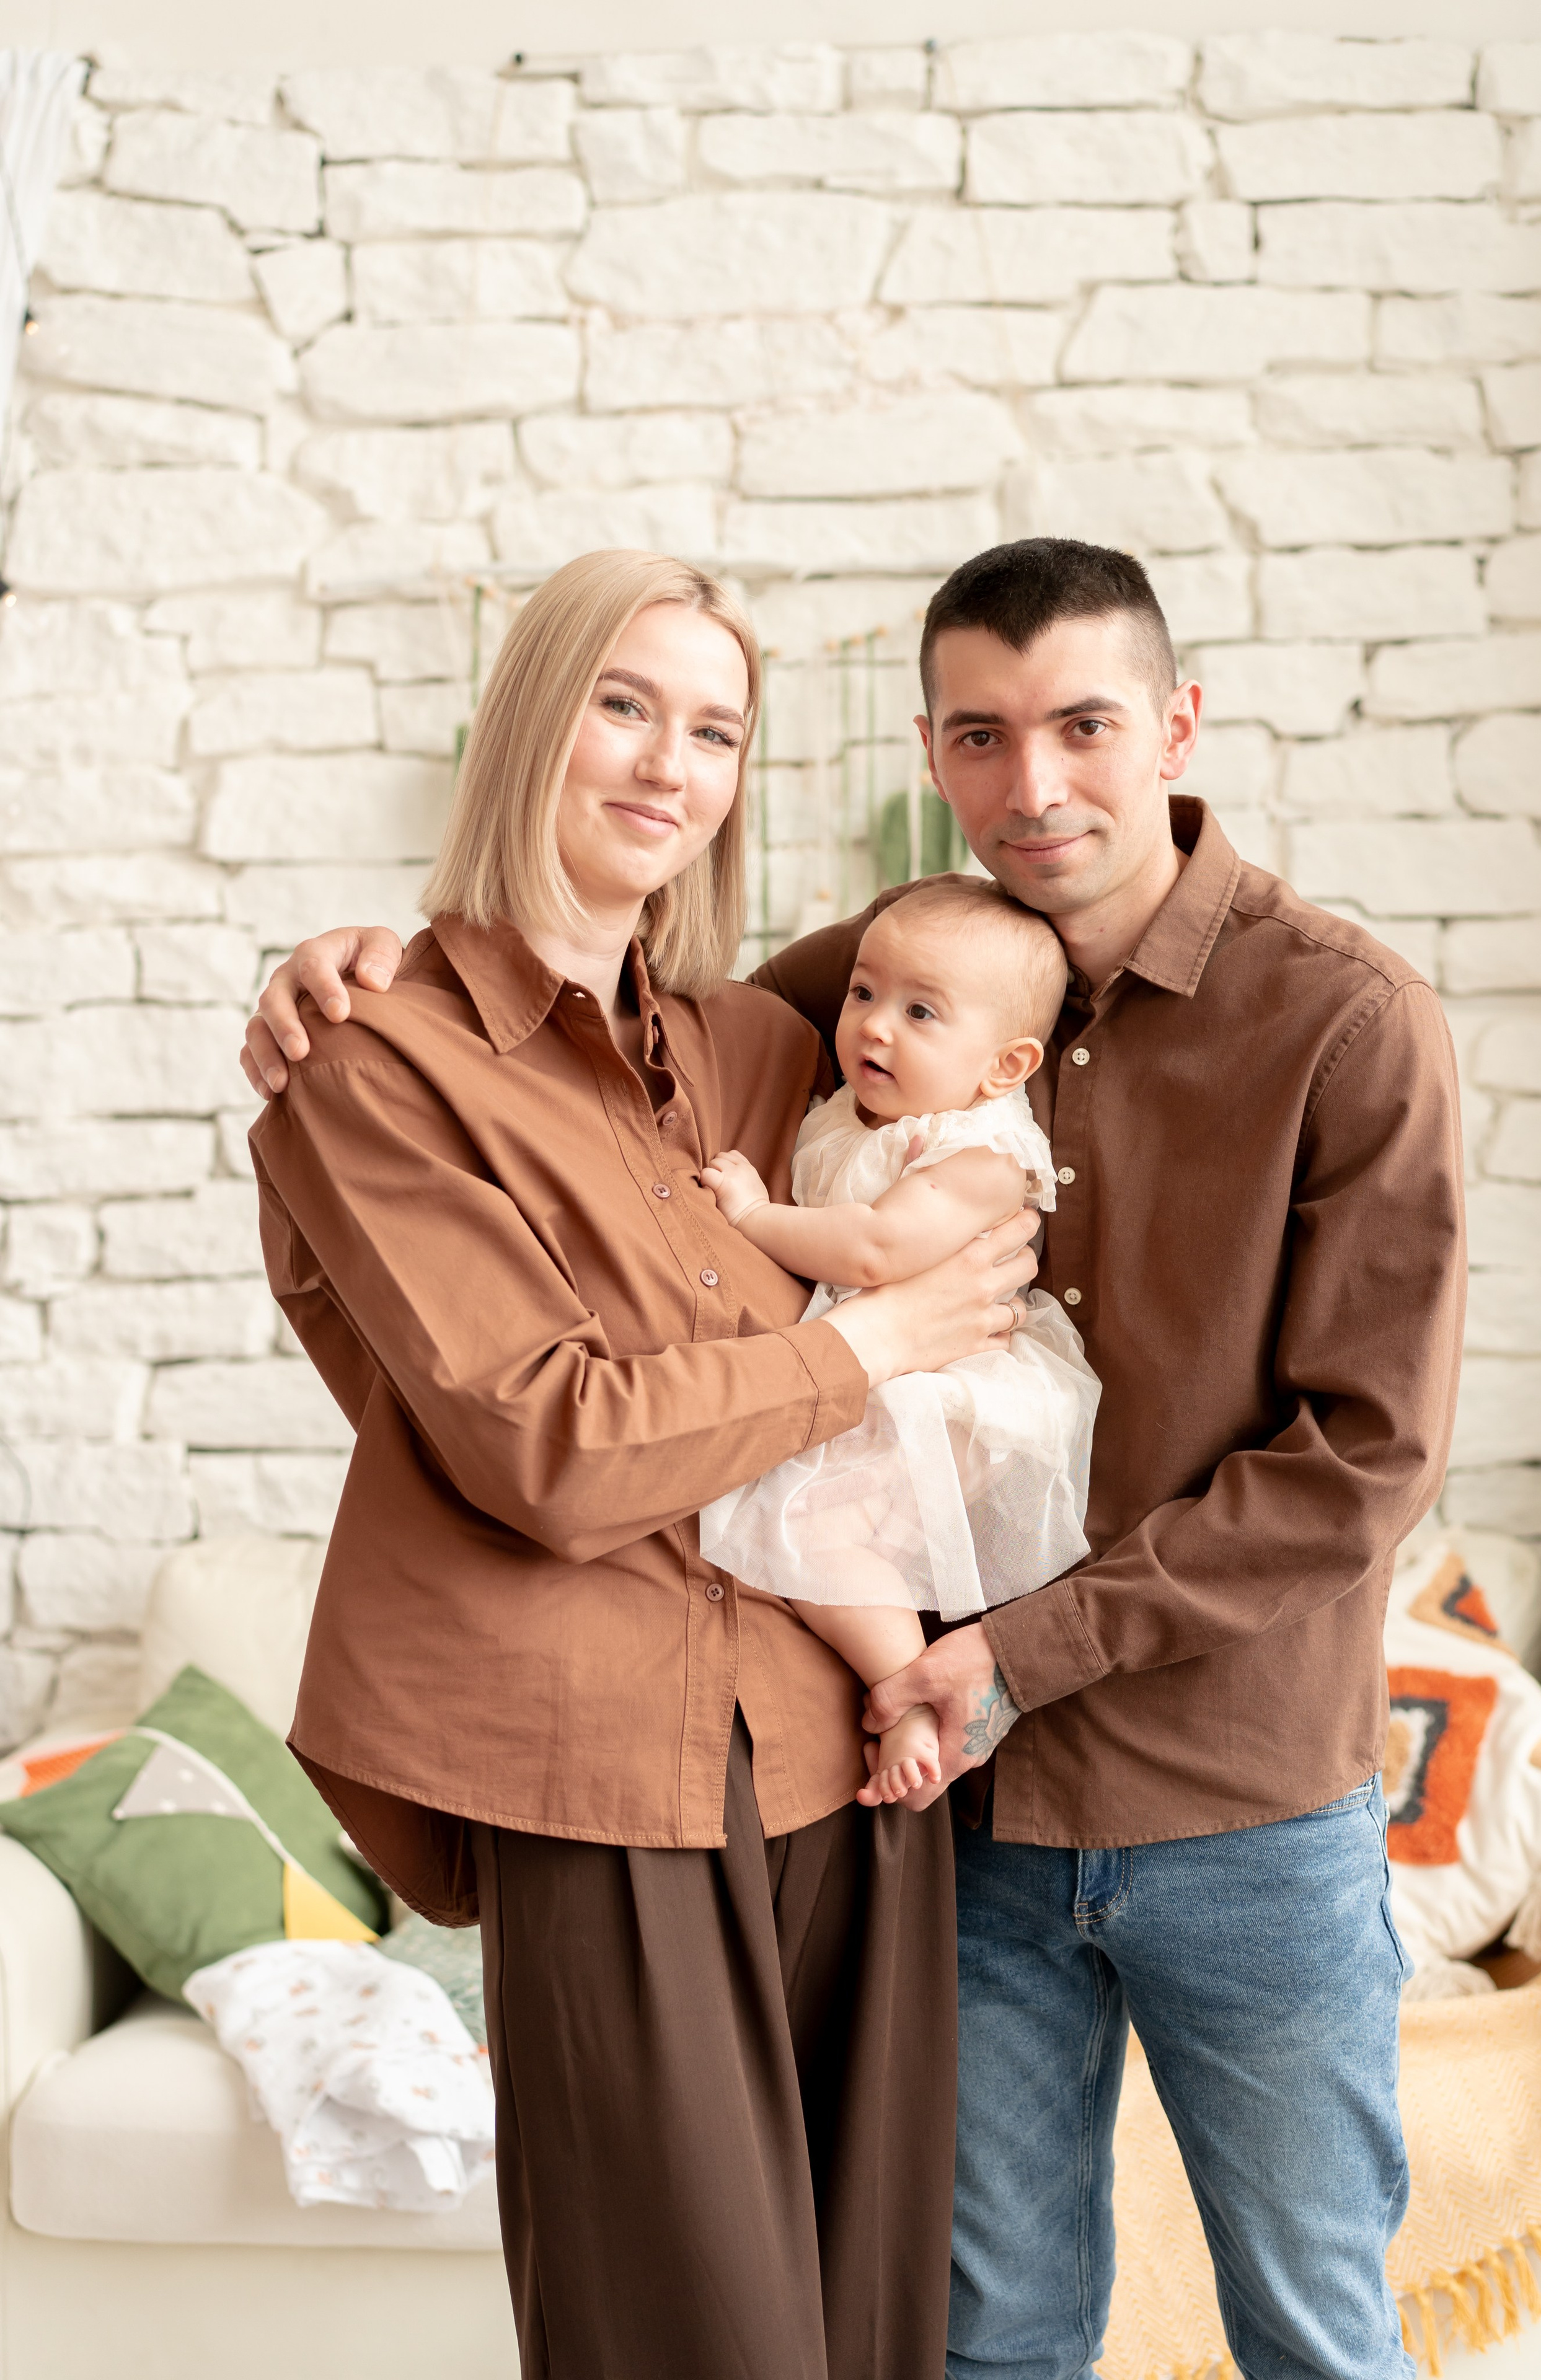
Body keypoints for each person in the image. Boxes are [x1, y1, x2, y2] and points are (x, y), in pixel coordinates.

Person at [244, 537, 1465, 2380]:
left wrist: (998, 1656)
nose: (1033, 784)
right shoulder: (879, 977)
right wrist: (352, 958)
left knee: (1309, 2328)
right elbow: (555, 1015)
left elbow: (1364, 1461)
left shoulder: (1343, 1019)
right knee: (979, 2344)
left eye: (1083, 726)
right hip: (951, 1813)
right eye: (982, 736)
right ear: (933, 752)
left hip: (1223, 1799)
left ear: (1178, 725)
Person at [242, 546, 1041, 2380]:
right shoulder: (377, 1060)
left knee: (869, 2339)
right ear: (530, 720)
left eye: (715, 730)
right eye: (621, 704)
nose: (665, 766)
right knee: (695, 2348)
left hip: (849, 1762)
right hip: (594, 1766)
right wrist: (870, 1346)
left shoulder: (771, 1046)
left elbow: (1005, 955)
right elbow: (545, 1439)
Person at [699, 875, 1100, 1811]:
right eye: (864, 993)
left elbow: (879, 1250)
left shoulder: (978, 1155)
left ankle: (912, 1697)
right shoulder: (854, 1110)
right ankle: (911, 1685)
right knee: (818, 1541)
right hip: (882, 1373)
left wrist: (756, 1219)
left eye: (922, 1012)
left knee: (817, 1539)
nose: (875, 1027)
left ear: (1004, 1067)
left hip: (952, 1393)